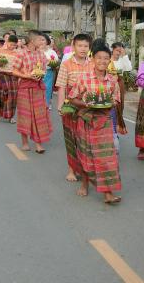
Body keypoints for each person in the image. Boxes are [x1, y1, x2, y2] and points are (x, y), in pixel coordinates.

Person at [68, 43, 121, 204]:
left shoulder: (112, 80)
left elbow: (116, 100)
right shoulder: (83, 78)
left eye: (106, 58)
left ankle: (108, 193)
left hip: (104, 122)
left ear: (109, 60)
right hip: (86, 120)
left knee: (107, 157)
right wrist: (85, 105)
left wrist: (109, 103)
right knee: (86, 154)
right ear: (93, 59)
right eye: (99, 58)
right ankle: (85, 184)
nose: (103, 61)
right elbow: (72, 97)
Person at [56, 33, 93, 182]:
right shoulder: (66, 65)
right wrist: (60, 106)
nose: (83, 49)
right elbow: (61, 87)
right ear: (73, 47)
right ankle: (71, 169)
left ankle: (85, 169)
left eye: (86, 46)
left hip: (89, 106)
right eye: (80, 46)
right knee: (71, 138)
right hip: (71, 106)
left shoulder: (93, 64)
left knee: (86, 138)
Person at [13, 30, 52, 153]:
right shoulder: (21, 54)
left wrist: (40, 74)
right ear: (32, 41)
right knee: (25, 115)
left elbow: (44, 69)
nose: (43, 41)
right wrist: (27, 76)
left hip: (38, 87)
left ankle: (38, 144)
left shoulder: (41, 54)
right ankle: (25, 143)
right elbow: (14, 71)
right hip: (24, 87)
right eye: (40, 39)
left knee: (39, 115)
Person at [0, 34, 19, 122]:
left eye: (14, 45)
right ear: (7, 42)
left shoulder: (17, 53)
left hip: (13, 76)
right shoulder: (0, 50)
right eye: (11, 44)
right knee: (1, 96)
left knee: (12, 96)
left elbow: (20, 65)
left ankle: (11, 116)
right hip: (2, 75)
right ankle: (0, 112)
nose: (12, 46)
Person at [42, 33, 59, 109]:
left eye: (44, 40)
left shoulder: (52, 52)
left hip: (49, 73)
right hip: (38, 72)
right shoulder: (37, 51)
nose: (42, 42)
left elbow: (56, 62)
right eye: (41, 40)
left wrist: (52, 64)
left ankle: (46, 104)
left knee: (48, 89)